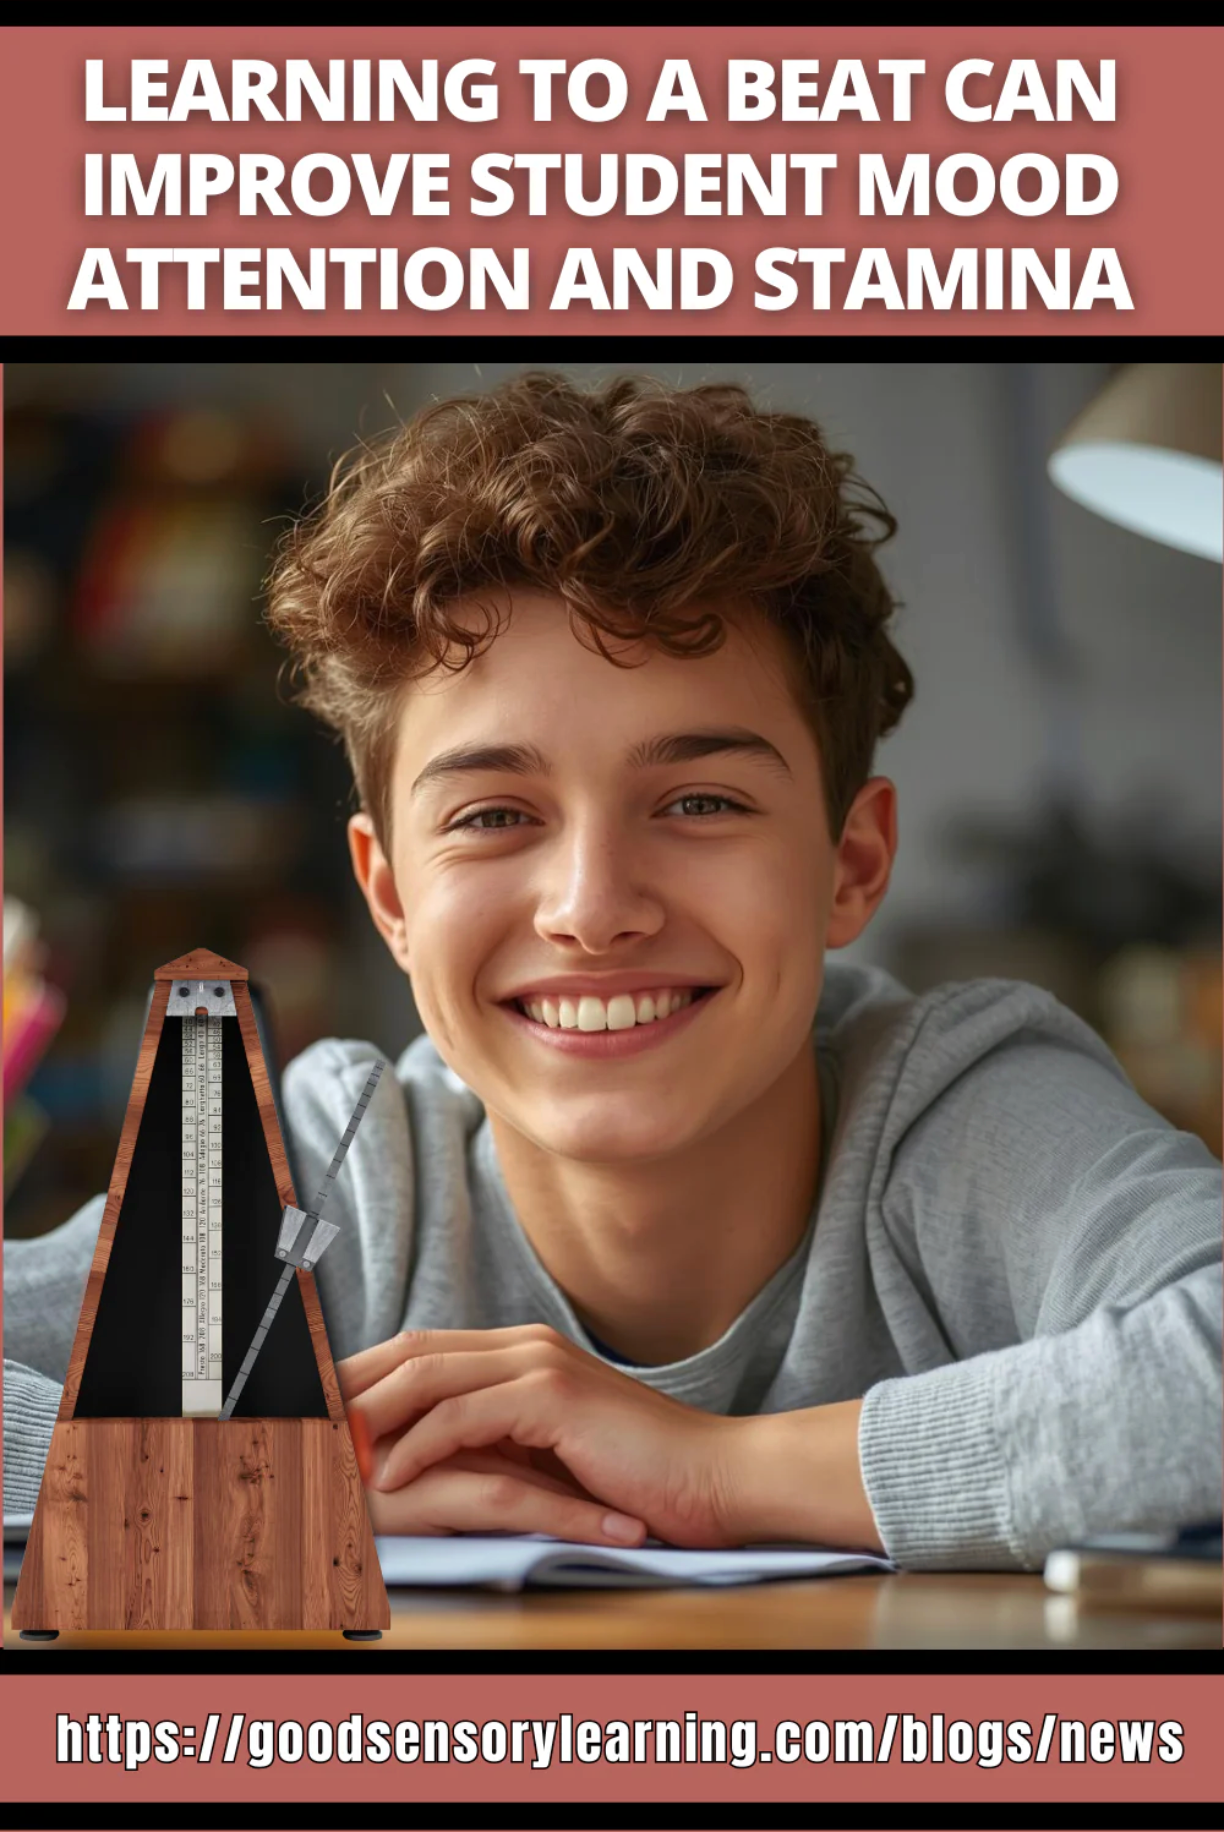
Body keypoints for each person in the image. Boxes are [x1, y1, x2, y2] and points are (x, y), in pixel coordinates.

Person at [5, 371, 1220, 1570]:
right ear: (390, 896)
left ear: (850, 861)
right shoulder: (334, 1171)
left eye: (698, 799)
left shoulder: (963, 1118)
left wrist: (712, 1468)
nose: (592, 909)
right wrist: (260, 1480)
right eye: (492, 814)